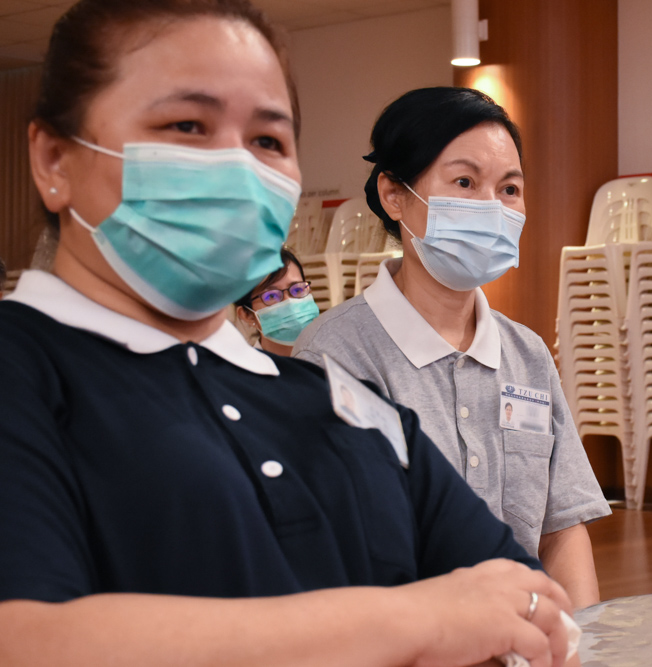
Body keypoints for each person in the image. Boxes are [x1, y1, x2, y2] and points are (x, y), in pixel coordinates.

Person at [0, 2, 579, 665]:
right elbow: (24, 639)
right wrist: (409, 620)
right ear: (54, 159)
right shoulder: (26, 372)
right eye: (186, 126)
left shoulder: (337, 402)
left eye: (268, 141)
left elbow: (524, 606)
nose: (238, 167)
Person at [294, 87, 610, 608]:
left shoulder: (527, 353)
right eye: (464, 182)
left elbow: (562, 530)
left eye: (509, 189)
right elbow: (337, 553)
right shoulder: (335, 356)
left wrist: (581, 639)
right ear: (394, 194)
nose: (492, 207)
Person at [235, 247, 318, 355]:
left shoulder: (332, 356)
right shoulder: (245, 366)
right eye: (271, 296)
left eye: (297, 290)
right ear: (247, 315)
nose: (289, 302)